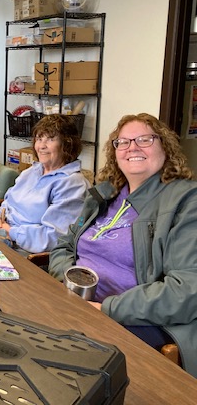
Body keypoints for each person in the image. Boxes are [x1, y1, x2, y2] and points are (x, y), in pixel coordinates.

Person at [49, 113, 197, 377]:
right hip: (79, 302)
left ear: (165, 146)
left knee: (65, 371)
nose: (133, 147)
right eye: (124, 142)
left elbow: (186, 291)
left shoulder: (186, 203)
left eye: (144, 139)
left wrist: (107, 308)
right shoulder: (107, 193)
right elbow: (64, 246)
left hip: (138, 320)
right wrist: (73, 284)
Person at [0, 114, 89, 254]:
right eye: (39, 139)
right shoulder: (32, 171)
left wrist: (11, 232)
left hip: (24, 250)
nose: (41, 146)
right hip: (0, 233)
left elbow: (53, 237)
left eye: (50, 139)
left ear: (67, 144)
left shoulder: (72, 184)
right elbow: (7, 203)